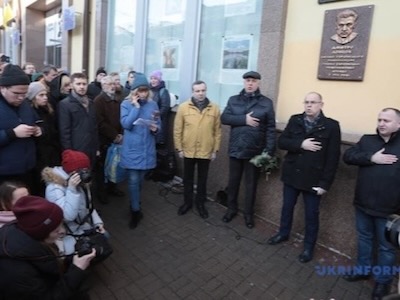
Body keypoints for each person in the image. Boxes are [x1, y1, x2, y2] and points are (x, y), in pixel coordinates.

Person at [267, 92, 341, 263]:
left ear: (321, 104)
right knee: (287, 208)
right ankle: (283, 233)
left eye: (313, 102)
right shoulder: (295, 120)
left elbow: (333, 158)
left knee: (311, 215)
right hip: (292, 175)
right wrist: (301, 144)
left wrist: (325, 183)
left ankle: (308, 247)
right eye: (306, 102)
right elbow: (282, 142)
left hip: (314, 179)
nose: (309, 105)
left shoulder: (331, 126)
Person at [342, 108, 400, 300]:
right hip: (363, 203)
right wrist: (370, 158)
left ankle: (382, 283)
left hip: (390, 209)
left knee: (386, 248)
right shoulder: (367, 140)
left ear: (398, 124)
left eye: (387, 120)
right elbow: (348, 156)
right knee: (365, 239)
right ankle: (363, 270)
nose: (382, 123)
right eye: (379, 119)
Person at [0, 195, 96, 299]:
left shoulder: (30, 238)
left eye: (61, 224)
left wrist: (72, 261)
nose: (63, 231)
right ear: (41, 233)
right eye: (56, 230)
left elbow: (46, 264)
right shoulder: (18, 273)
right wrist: (77, 270)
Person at [220, 71, 276, 229]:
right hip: (236, 147)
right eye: (247, 81)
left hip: (255, 151)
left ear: (258, 83)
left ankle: (248, 214)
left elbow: (271, 129)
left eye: (253, 81)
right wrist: (244, 119)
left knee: (251, 185)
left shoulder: (266, 103)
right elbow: (224, 118)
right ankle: (231, 209)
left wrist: (269, 151)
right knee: (233, 182)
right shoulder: (233, 100)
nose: (250, 83)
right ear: (244, 83)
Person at [42, 149, 106, 255]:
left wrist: (97, 223)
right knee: (77, 253)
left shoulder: (82, 182)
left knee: (104, 237)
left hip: (83, 227)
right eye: (81, 171)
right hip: (67, 233)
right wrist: (71, 189)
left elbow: (88, 205)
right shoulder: (54, 188)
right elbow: (67, 216)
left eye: (86, 170)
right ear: (70, 171)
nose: (84, 174)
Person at [173, 80, 221, 219]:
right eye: (197, 91)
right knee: (187, 179)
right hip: (188, 149)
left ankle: (200, 203)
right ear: (193, 92)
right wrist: (179, 148)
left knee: (202, 179)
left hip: (206, 150)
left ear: (206, 91)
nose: (200, 93)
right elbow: (177, 130)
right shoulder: (183, 107)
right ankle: (187, 203)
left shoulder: (214, 108)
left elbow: (217, 131)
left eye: (203, 90)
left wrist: (215, 150)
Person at [120, 73, 160, 229]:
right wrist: (135, 108)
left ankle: (135, 200)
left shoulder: (153, 105)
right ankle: (135, 210)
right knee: (133, 180)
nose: (142, 93)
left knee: (140, 180)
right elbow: (126, 125)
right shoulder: (126, 104)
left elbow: (159, 124)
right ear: (134, 91)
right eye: (140, 90)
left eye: (145, 90)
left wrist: (155, 128)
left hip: (146, 148)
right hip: (132, 148)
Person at [0, 64, 42, 194]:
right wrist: (12, 133)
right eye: (16, 93)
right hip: (4, 175)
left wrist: (38, 130)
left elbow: (37, 121)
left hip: (27, 169)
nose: (21, 98)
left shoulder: (25, 105)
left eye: (24, 94)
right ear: (2, 88)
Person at [94, 75, 124, 202]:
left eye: (114, 84)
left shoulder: (117, 99)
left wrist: (121, 134)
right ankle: (102, 193)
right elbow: (100, 123)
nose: (113, 86)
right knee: (102, 168)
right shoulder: (98, 101)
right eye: (109, 84)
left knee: (114, 165)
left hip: (117, 139)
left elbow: (122, 118)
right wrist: (114, 135)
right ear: (103, 86)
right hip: (104, 140)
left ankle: (112, 187)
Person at [28, 81, 62, 196]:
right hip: (40, 156)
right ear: (33, 97)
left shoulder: (48, 110)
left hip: (52, 152)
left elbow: (54, 130)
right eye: (41, 95)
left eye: (45, 94)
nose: (45, 98)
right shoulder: (30, 112)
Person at [149, 70, 171, 147]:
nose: (153, 81)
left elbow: (164, 108)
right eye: (151, 78)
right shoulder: (148, 90)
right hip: (149, 123)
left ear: (159, 80)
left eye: (155, 78)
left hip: (159, 123)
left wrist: (155, 117)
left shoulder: (163, 91)